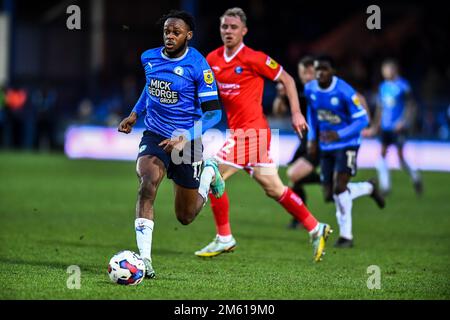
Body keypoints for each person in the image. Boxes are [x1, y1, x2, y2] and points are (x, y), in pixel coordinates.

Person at [194, 7, 332, 262]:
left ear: (244, 31)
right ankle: (316, 227)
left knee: (211, 172)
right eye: (224, 26)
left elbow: (288, 80)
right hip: (240, 133)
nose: (228, 31)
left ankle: (224, 237)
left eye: (233, 27)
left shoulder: (254, 58)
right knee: (274, 188)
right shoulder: (211, 59)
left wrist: (296, 113)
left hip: (253, 133)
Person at [118, 10, 225, 279]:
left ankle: (208, 172)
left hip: (187, 139)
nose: (169, 36)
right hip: (155, 133)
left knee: (185, 217)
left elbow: (214, 113)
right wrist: (134, 114)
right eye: (167, 31)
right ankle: (145, 260)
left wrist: (185, 137)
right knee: (147, 183)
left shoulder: (198, 66)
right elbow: (150, 86)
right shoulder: (149, 57)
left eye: (176, 32)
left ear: (188, 36)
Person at [274, 57, 380, 230]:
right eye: (304, 73)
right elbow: (279, 110)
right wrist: (280, 96)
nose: (308, 75)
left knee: (296, 176)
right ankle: (364, 187)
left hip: (323, 142)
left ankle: (302, 217)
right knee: (323, 191)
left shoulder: (330, 88)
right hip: (310, 141)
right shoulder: (303, 91)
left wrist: (366, 124)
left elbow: (358, 98)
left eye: (310, 72)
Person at [306, 56, 384, 248]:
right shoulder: (311, 89)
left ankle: (346, 237)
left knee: (340, 188)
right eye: (317, 69)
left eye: (324, 69)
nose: (320, 73)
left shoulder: (345, 91)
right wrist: (311, 139)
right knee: (329, 194)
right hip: (326, 146)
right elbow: (312, 113)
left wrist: (339, 134)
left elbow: (362, 120)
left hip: (347, 144)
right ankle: (368, 188)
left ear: (333, 71)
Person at [363, 59, 423, 196]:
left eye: (387, 69)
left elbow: (411, 105)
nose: (385, 72)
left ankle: (415, 177)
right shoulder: (383, 87)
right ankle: (386, 186)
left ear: (394, 70)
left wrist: (403, 122)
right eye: (384, 70)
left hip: (398, 128)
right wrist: (375, 126)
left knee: (400, 157)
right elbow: (380, 108)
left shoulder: (403, 86)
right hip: (385, 127)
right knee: (382, 154)